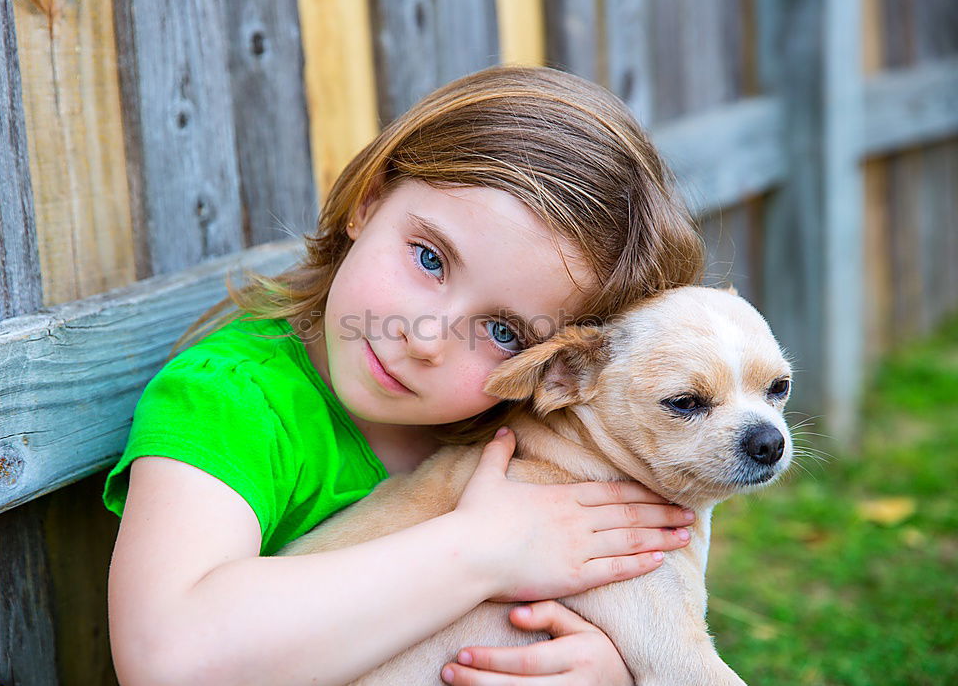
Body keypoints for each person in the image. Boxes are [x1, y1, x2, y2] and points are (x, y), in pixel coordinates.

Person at [104, 65, 706, 686]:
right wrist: (482, 551)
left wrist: (605, 669)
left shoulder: (516, 429)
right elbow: (167, 658)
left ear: (555, 368)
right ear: (369, 198)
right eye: (429, 258)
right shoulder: (229, 401)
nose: (424, 340)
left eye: (504, 333)